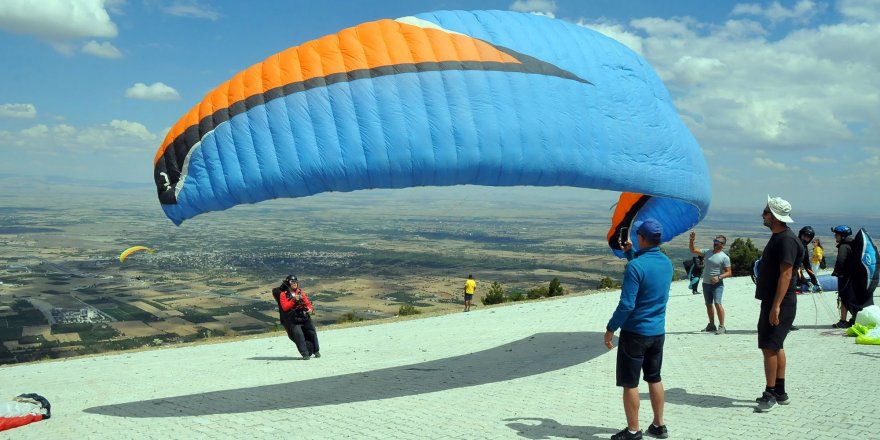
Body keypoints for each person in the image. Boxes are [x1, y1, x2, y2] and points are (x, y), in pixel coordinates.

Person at [605, 219, 672, 440]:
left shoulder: (636, 267)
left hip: (634, 333)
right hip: (657, 332)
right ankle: (659, 425)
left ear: (641, 238)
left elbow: (627, 304)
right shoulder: (667, 263)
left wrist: (611, 328)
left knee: (630, 383)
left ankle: (633, 431)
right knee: (654, 378)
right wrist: (630, 254)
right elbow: (649, 279)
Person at [754, 195, 802, 412]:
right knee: (776, 345)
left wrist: (776, 306)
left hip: (779, 302)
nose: (762, 214)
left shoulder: (786, 240)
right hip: (775, 301)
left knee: (769, 348)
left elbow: (786, 274)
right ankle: (780, 392)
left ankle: (770, 393)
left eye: (765, 211)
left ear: (773, 216)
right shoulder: (779, 237)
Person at [688, 231, 732, 334]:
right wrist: (691, 240)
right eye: (714, 241)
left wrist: (719, 277)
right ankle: (711, 325)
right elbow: (693, 250)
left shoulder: (725, 257)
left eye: (717, 241)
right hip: (706, 283)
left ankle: (722, 326)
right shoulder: (707, 252)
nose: (715, 243)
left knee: (717, 303)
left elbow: (729, 272)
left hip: (717, 285)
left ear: (722, 244)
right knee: (708, 304)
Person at [271, 275, 320, 360]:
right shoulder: (283, 294)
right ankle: (305, 354)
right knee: (299, 335)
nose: (295, 283)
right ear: (288, 283)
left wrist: (310, 310)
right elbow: (285, 307)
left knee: (312, 332)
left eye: (296, 282)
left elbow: (308, 304)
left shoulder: (301, 292)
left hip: (304, 316)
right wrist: (293, 300)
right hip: (293, 319)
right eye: (292, 282)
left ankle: (316, 351)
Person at [830, 225, 857, 328]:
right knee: (851, 297)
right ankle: (854, 319)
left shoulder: (843, 246)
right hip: (853, 276)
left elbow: (841, 261)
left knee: (844, 298)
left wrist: (837, 272)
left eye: (836, 235)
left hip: (845, 277)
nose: (835, 237)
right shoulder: (853, 244)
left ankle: (843, 321)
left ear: (842, 236)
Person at [796, 226, 819, 293]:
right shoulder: (794, 244)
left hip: (796, 273)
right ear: (800, 234)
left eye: (808, 237)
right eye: (804, 236)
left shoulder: (805, 248)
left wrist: (813, 278)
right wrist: (805, 281)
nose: (805, 238)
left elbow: (807, 265)